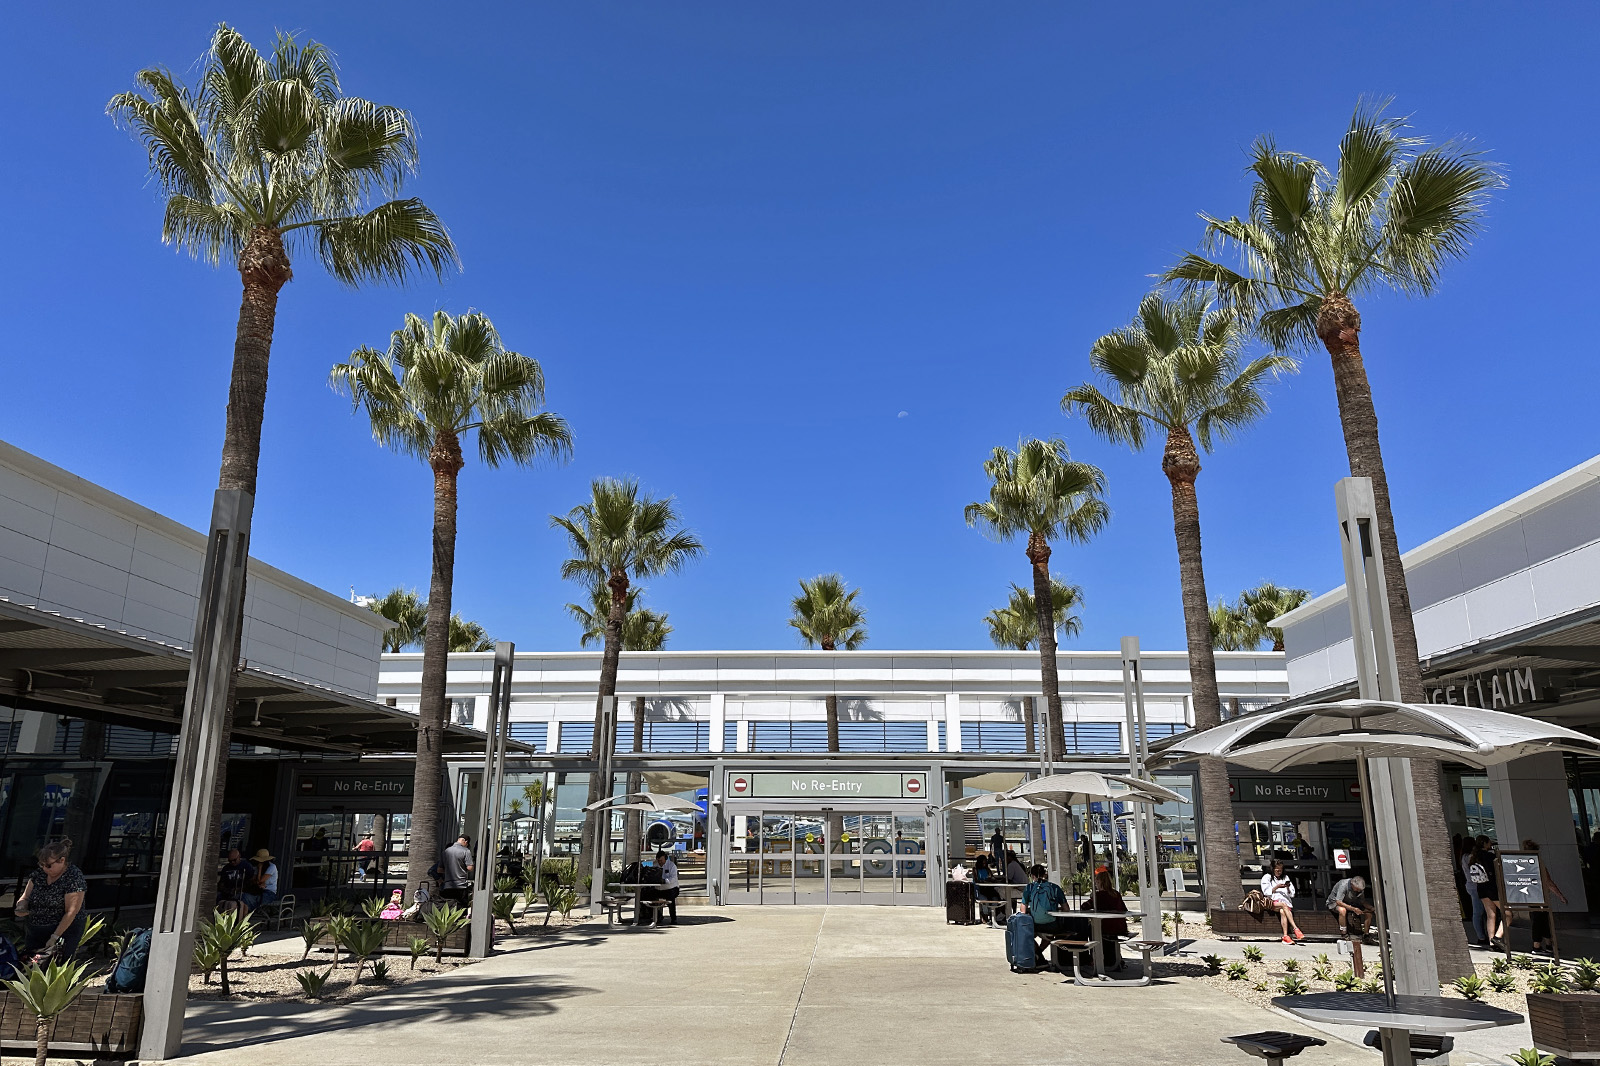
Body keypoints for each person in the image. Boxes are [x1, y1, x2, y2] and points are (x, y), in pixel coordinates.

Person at [16, 840, 87, 965]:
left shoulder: (73, 877)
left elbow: (71, 911)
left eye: (48, 865)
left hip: (63, 930)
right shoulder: (39, 874)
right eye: (41, 864)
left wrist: (55, 936)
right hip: (35, 928)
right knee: (29, 963)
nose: (44, 868)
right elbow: (25, 897)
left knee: (56, 964)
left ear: (62, 860)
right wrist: (21, 906)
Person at [1523, 839, 1569, 954]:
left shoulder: (1523, 863)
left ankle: (1548, 944)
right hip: (1540, 896)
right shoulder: (1538, 863)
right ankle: (1537, 946)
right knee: (1540, 920)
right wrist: (1560, 895)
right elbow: (1548, 882)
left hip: (1530, 895)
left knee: (1540, 919)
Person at [1021, 864, 1068, 965]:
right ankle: (1039, 953)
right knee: (1050, 934)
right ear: (1045, 874)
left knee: (1024, 933)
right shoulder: (1054, 888)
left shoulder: (1029, 888)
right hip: (1052, 925)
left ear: (1032, 876)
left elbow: (1023, 910)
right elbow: (1066, 909)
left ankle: (1038, 954)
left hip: (1035, 925)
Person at [1468, 839, 1505, 947]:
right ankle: (1497, 937)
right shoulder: (1489, 856)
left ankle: (1491, 942)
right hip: (1492, 888)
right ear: (1484, 844)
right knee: (1507, 913)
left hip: (1481, 888)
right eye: (1489, 842)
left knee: (1490, 915)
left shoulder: (1473, 857)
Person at [1261, 859, 1304, 943]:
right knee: (1283, 905)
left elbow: (1292, 894)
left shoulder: (1285, 877)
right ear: (1273, 869)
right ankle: (1296, 928)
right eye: (1277, 870)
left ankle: (1285, 936)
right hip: (1272, 902)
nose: (1279, 872)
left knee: (1282, 911)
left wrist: (1287, 887)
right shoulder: (1267, 877)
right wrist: (1277, 887)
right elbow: (1266, 891)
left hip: (1283, 903)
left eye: (1280, 870)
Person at [1463, 834, 1489, 947]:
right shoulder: (1471, 857)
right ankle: (1481, 936)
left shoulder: (1463, 856)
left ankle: (1482, 935)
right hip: (1477, 886)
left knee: (1478, 912)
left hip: (1470, 885)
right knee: (1479, 912)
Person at [642, 847, 679, 925]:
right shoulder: (655, 865)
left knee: (671, 899)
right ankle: (657, 916)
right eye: (658, 861)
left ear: (665, 859)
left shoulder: (672, 866)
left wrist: (664, 881)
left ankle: (673, 918)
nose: (660, 862)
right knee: (645, 895)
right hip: (658, 888)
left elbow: (673, 879)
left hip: (671, 888)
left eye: (661, 860)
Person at [217, 848, 251, 916]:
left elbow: (250, 882)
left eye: (234, 860)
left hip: (241, 891)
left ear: (239, 857)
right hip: (227, 891)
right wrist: (226, 890)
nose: (232, 862)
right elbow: (221, 883)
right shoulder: (226, 868)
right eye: (230, 861)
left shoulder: (246, 866)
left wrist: (240, 889)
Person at [442, 834, 475, 905]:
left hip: (448, 885)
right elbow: (470, 868)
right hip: (461, 885)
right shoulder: (466, 851)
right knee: (461, 908)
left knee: (449, 908)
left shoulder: (446, 851)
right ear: (465, 842)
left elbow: (439, 869)